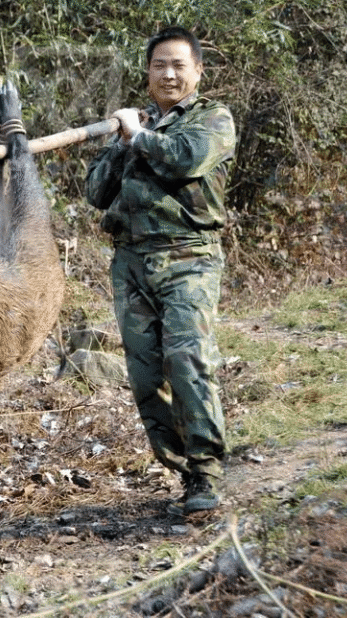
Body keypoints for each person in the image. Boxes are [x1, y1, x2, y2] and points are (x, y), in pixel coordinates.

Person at [84, 27, 237, 515]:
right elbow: (95, 191)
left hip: (188, 256)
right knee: (147, 375)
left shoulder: (212, 118)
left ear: (197, 72)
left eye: (178, 65)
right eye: (159, 66)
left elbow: (185, 160)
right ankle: (184, 471)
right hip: (130, 262)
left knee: (188, 361)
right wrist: (125, 140)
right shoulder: (138, 123)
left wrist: (140, 136)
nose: (168, 74)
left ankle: (207, 470)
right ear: (148, 72)